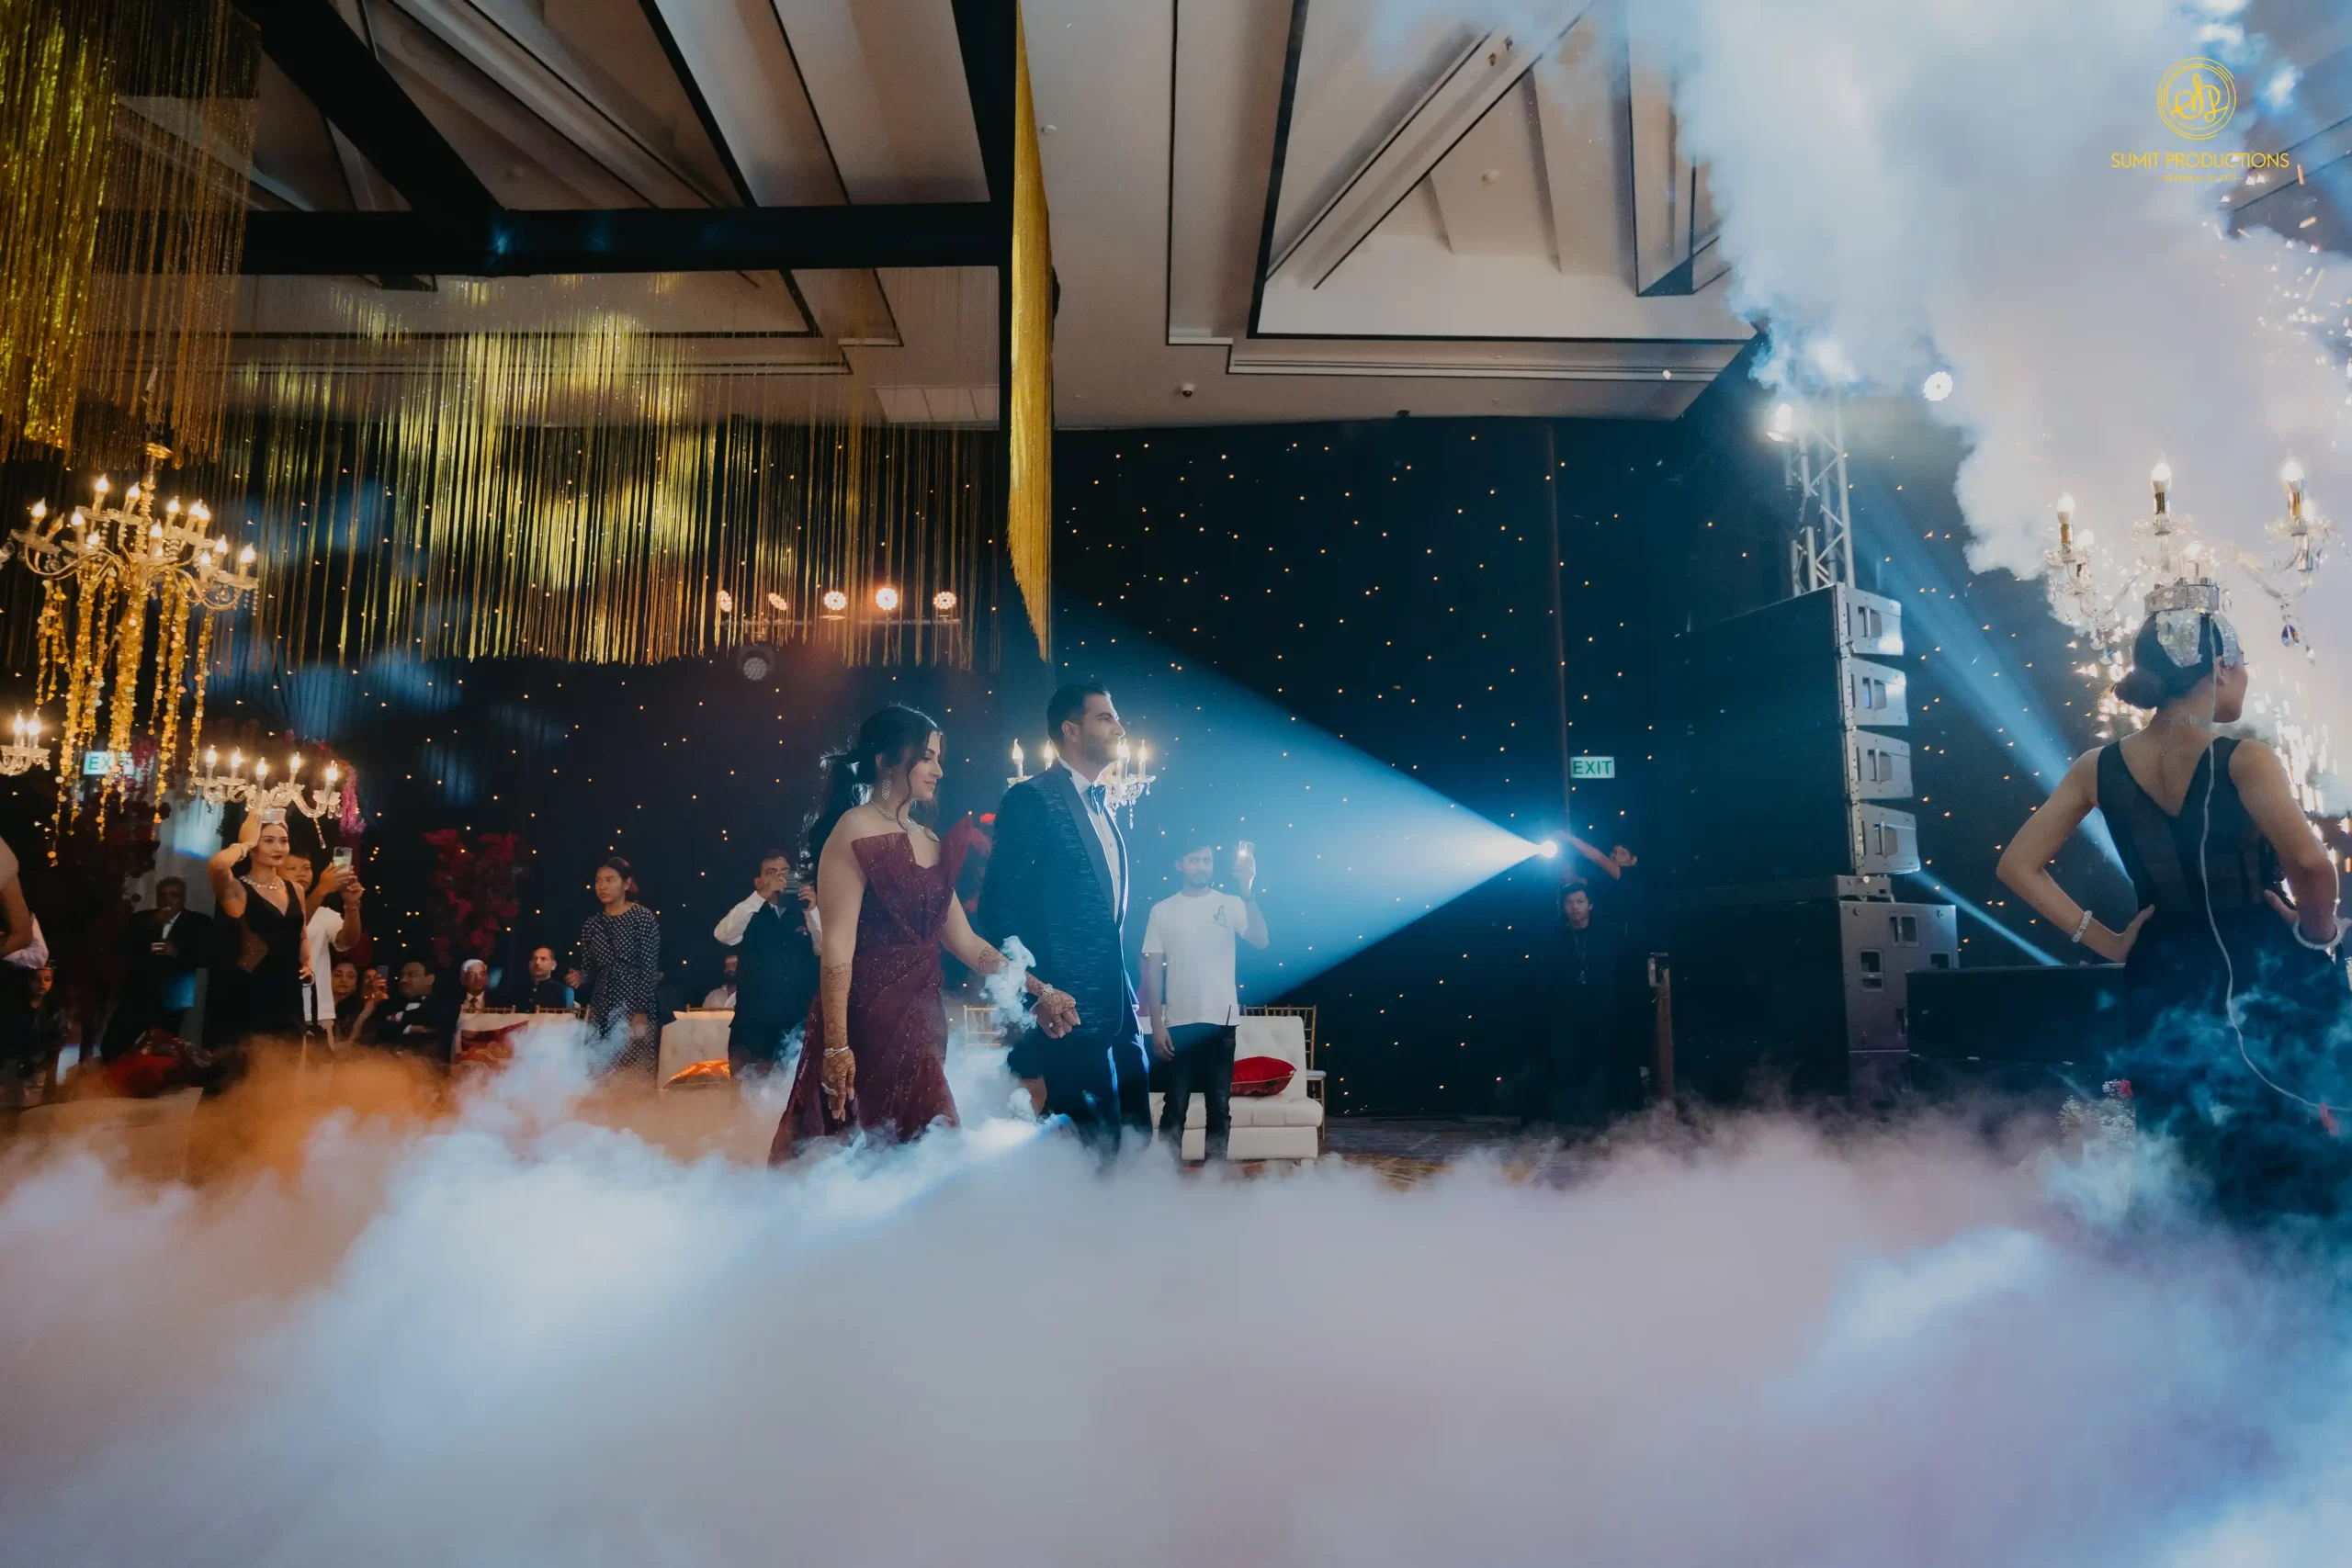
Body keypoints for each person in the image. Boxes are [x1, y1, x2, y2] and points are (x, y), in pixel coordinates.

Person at [1997, 589, 2346, 1222]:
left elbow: (2016, 864)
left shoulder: (2096, 767)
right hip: (2258, 964)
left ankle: (2180, 1265)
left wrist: (2106, 940)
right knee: (2285, 1124)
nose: (2246, 677)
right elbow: (2312, 865)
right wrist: (2316, 933)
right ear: (2219, 669)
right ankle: (2280, 1262)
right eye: (2242, 663)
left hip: (2160, 969)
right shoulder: (2246, 758)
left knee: (2173, 1134)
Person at [770, 706, 1019, 1156]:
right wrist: (836, 1047)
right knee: (874, 1152)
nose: (938, 771)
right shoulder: (854, 827)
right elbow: (837, 946)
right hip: (865, 1019)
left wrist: (1038, 988)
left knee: (920, 1150)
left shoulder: (930, 840)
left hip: (923, 1020)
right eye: (926, 757)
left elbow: (966, 943)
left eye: (939, 758)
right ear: (885, 760)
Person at [977, 681, 1146, 1147]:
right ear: (1071, 730)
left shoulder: (1103, 806)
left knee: (1135, 1143)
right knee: (1091, 1151)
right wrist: (1039, 993)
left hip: (1117, 1006)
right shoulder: (1032, 798)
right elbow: (998, 909)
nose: (1120, 728)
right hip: (1065, 1010)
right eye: (1105, 717)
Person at [1142, 839, 1269, 1162]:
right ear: (1180, 865)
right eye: (1194, 860)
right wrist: (1157, 1024)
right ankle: (1163, 1179)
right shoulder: (1162, 910)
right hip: (1179, 1023)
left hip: (1221, 1021)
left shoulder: (1231, 902)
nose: (1201, 867)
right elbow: (1152, 971)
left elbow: (1261, 940)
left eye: (1207, 860)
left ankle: (1214, 1183)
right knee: (1175, 1106)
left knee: (1219, 1107)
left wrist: (1247, 890)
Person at [715, 851, 821, 1083]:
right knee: (744, 1091)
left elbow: (824, 948)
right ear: (758, 881)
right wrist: (761, 896)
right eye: (771, 873)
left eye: (784, 872)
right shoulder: (749, 910)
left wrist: (812, 909)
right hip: (753, 1024)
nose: (779, 878)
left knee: (793, 1092)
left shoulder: (805, 911)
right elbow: (723, 935)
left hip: (796, 1024)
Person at [206, 810, 310, 1049]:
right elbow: (218, 865)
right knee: (249, 1062)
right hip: (250, 991)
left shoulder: (295, 889)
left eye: (283, 841)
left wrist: (307, 963)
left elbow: (301, 933)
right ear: (254, 847)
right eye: (269, 841)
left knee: (287, 1062)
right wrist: (244, 844)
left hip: (289, 993)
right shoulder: (238, 888)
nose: (279, 848)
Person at [1536, 883, 1623, 1133]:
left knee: (1598, 1067)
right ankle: (1566, 1125)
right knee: (1566, 1067)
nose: (1575, 907)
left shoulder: (1608, 935)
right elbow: (1546, 977)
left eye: (1580, 902)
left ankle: (1595, 1123)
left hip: (1600, 1012)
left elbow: (1617, 972)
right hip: (1565, 1014)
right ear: (1563, 907)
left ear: (1590, 905)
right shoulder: (1554, 939)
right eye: (1570, 903)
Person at [568, 856, 661, 1071]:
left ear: (626, 884)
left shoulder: (642, 918)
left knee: (633, 1069)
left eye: (610, 880)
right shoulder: (591, 925)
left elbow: (649, 968)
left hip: (634, 1001)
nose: (602, 886)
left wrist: (640, 1011)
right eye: (598, 881)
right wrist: (580, 977)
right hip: (602, 1003)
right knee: (599, 1069)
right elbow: (590, 969)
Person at [104, 877, 211, 1057]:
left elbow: (207, 958)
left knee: (162, 1052)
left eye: (174, 895)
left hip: (173, 997)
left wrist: (176, 952)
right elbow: (122, 949)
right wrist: (150, 924)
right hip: (137, 994)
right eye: (163, 895)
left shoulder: (199, 923)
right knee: (113, 1046)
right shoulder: (141, 919)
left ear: (183, 898)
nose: (167, 900)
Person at [288, 854, 367, 1032]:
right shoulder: (267, 907)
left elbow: (348, 941)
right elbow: (293, 927)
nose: (301, 873)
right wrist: (322, 889)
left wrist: (351, 905)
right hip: (280, 1005)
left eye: (307, 868)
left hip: (316, 1010)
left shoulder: (323, 913)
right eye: (292, 868)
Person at [368, 957, 457, 1058]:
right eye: (402, 975)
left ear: (430, 979)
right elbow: (376, 1030)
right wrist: (409, 1028)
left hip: (428, 1065)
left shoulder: (444, 1005)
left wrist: (398, 1017)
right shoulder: (386, 1005)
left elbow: (434, 1019)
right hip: (385, 1063)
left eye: (411, 975)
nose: (403, 980)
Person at [505, 945, 575, 1011]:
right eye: (534, 959)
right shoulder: (516, 990)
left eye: (543, 959)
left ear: (553, 965)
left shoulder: (563, 992)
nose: (537, 963)